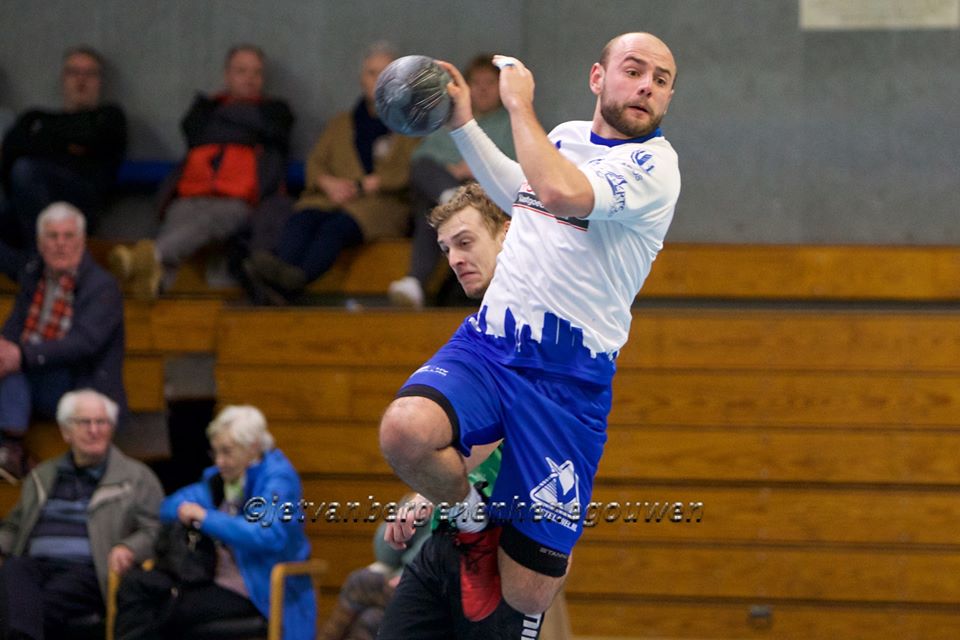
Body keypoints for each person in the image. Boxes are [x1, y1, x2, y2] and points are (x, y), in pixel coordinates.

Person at [378, 31, 680, 620]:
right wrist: (464, 121)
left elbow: (560, 192)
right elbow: (523, 193)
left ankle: (504, 566)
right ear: (598, 78)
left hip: (568, 382)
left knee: (525, 595)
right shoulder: (563, 138)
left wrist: (516, 105)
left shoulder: (655, 164)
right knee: (404, 431)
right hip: (493, 344)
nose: (647, 85)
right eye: (634, 69)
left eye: (661, 79)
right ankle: (470, 522)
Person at [114, 405, 315, 640]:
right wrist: (188, 510)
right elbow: (169, 507)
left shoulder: (278, 479)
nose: (219, 461)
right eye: (215, 452)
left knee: (170, 611)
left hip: (258, 585)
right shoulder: (221, 479)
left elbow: (266, 534)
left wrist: (206, 518)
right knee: (135, 587)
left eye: (227, 452)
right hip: (210, 576)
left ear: (252, 448)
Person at [109, 44, 294, 298]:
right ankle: (156, 284)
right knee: (177, 220)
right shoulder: (204, 109)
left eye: (256, 73)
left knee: (208, 222)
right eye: (241, 71)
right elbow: (194, 131)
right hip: (191, 195)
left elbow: (271, 130)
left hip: (238, 202)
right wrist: (243, 126)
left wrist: (224, 120)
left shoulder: (276, 112)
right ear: (226, 75)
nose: (250, 79)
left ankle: (149, 255)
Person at [243, 42, 420, 305]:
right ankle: (281, 274)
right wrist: (328, 183)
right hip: (332, 197)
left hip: (382, 205)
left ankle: (293, 281)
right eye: (372, 73)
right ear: (362, 78)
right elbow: (316, 163)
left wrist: (375, 182)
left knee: (335, 228)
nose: (379, 80)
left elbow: (417, 168)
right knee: (303, 218)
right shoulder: (340, 124)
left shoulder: (412, 125)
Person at [0, 389, 164, 640]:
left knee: (23, 609)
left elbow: (156, 528)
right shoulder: (43, 474)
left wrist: (129, 547)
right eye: (84, 422)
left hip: (88, 568)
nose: (94, 430)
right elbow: (14, 525)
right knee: (14, 569)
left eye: (102, 422)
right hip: (33, 564)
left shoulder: (137, 478)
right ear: (66, 431)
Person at [0, 202, 127, 483]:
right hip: (34, 376)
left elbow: (83, 344)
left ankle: (11, 447)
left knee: (13, 367)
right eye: (52, 236)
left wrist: (19, 355)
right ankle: (10, 448)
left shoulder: (102, 286)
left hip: (79, 383)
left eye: (68, 236)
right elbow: (13, 328)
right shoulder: (34, 275)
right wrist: (7, 350)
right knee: (7, 362)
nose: (60, 244)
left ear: (81, 241)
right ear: (40, 242)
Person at [387, 54, 515, 309]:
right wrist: (452, 170)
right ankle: (451, 196)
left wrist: (477, 167)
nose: (482, 88)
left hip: (490, 199)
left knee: (437, 210)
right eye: (475, 82)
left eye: (489, 82)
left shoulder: (511, 122)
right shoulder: (450, 119)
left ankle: (416, 279)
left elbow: (519, 172)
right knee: (427, 180)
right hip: (449, 187)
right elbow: (422, 157)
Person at [0, 46, 126, 278]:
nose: (81, 80)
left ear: (99, 81)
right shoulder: (35, 118)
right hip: (27, 205)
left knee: (27, 169)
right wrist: (66, 145)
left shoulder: (109, 117)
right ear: (63, 79)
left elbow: (93, 138)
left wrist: (42, 142)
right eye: (74, 72)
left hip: (80, 202)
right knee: (25, 173)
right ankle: (28, 268)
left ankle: (39, 261)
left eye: (89, 74)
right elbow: (10, 152)